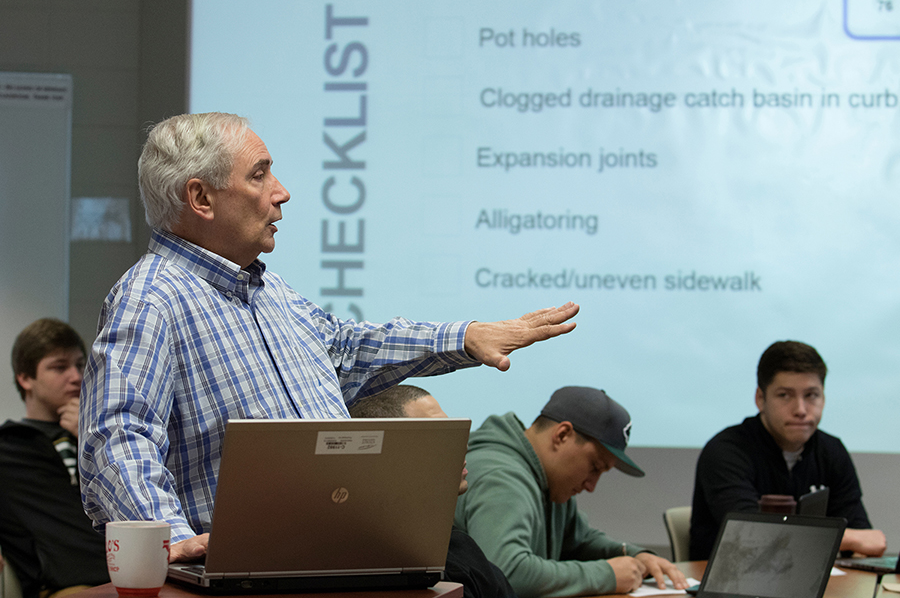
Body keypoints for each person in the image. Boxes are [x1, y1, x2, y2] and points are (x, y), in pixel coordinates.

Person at [79, 112, 580, 564]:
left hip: (326, 562)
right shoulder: (150, 298)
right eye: (259, 174)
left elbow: (344, 350)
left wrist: (466, 337)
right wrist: (168, 536)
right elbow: (118, 433)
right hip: (242, 577)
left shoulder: (267, 288)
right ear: (200, 198)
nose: (282, 191)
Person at [453, 386, 688, 597]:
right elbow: (507, 572)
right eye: (594, 467)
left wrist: (635, 555)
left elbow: (581, 541)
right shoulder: (501, 476)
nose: (591, 486)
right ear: (562, 435)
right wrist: (606, 575)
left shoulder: (546, 478)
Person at [689, 340, 887, 561]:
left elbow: (865, 540)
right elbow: (751, 535)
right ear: (760, 399)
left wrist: (855, 540)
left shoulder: (832, 451)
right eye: (785, 395)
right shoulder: (725, 451)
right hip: (730, 586)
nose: (801, 410)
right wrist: (846, 538)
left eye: (811, 395)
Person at [350, 385, 517, 598]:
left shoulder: (457, 548)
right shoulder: (390, 563)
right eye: (439, 435)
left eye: (452, 431)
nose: (462, 445)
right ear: (392, 458)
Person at [0, 319, 109, 598]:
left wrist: (88, 438)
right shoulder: (8, 449)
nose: (75, 376)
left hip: (132, 572)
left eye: (80, 364)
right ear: (25, 378)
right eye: (59, 367)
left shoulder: (105, 436)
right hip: (68, 585)